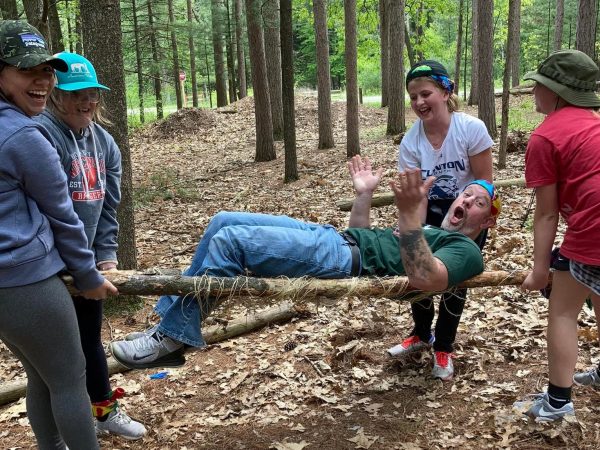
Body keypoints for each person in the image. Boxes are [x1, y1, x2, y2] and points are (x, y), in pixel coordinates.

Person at [110, 156, 499, 370]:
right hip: (336, 239)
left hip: (342, 260)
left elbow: (426, 278)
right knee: (222, 221)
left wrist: (409, 217)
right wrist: (363, 196)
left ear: (487, 220)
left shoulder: (464, 250)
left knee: (231, 243)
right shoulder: (430, 229)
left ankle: (175, 336)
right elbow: (362, 233)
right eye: (464, 195)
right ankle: (168, 325)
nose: (464, 202)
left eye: (477, 203)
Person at [0, 20, 117, 449]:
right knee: (69, 380)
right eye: (26, 70)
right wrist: (88, 277)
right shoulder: (25, 134)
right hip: (25, 278)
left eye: (46, 71)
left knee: (40, 376)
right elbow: (63, 215)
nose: (42, 81)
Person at [34, 52, 146, 440]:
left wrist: (106, 256)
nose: (85, 101)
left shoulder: (105, 143)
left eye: (92, 93)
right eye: (75, 93)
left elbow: (108, 204)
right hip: (49, 267)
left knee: (89, 341)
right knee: (56, 356)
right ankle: (62, 431)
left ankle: (103, 411)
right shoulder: (44, 134)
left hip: (86, 264)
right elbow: (49, 208)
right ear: (56, 96)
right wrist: (73, 266)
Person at [389, 59, 495, 380]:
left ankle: (444, 346)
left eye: (426, 94)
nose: (419, 103)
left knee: (453, 283)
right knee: (417, 272)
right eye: (413, 97)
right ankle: (422, 334)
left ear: (446, 91)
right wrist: (414, 231)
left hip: (466, 216)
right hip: (429, 212)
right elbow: (416, 193)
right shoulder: (411, 140)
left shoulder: (471, 129)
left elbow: (485, 182)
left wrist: (473, 225)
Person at [518, 49, 600, 421]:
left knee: (563, 311)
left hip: (593, 232)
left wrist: (539, 270)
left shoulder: (546, 137)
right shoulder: (594, 123)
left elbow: (548, 212)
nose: (535, 91)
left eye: (540, 85)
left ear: (557, 92)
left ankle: (557, 400)